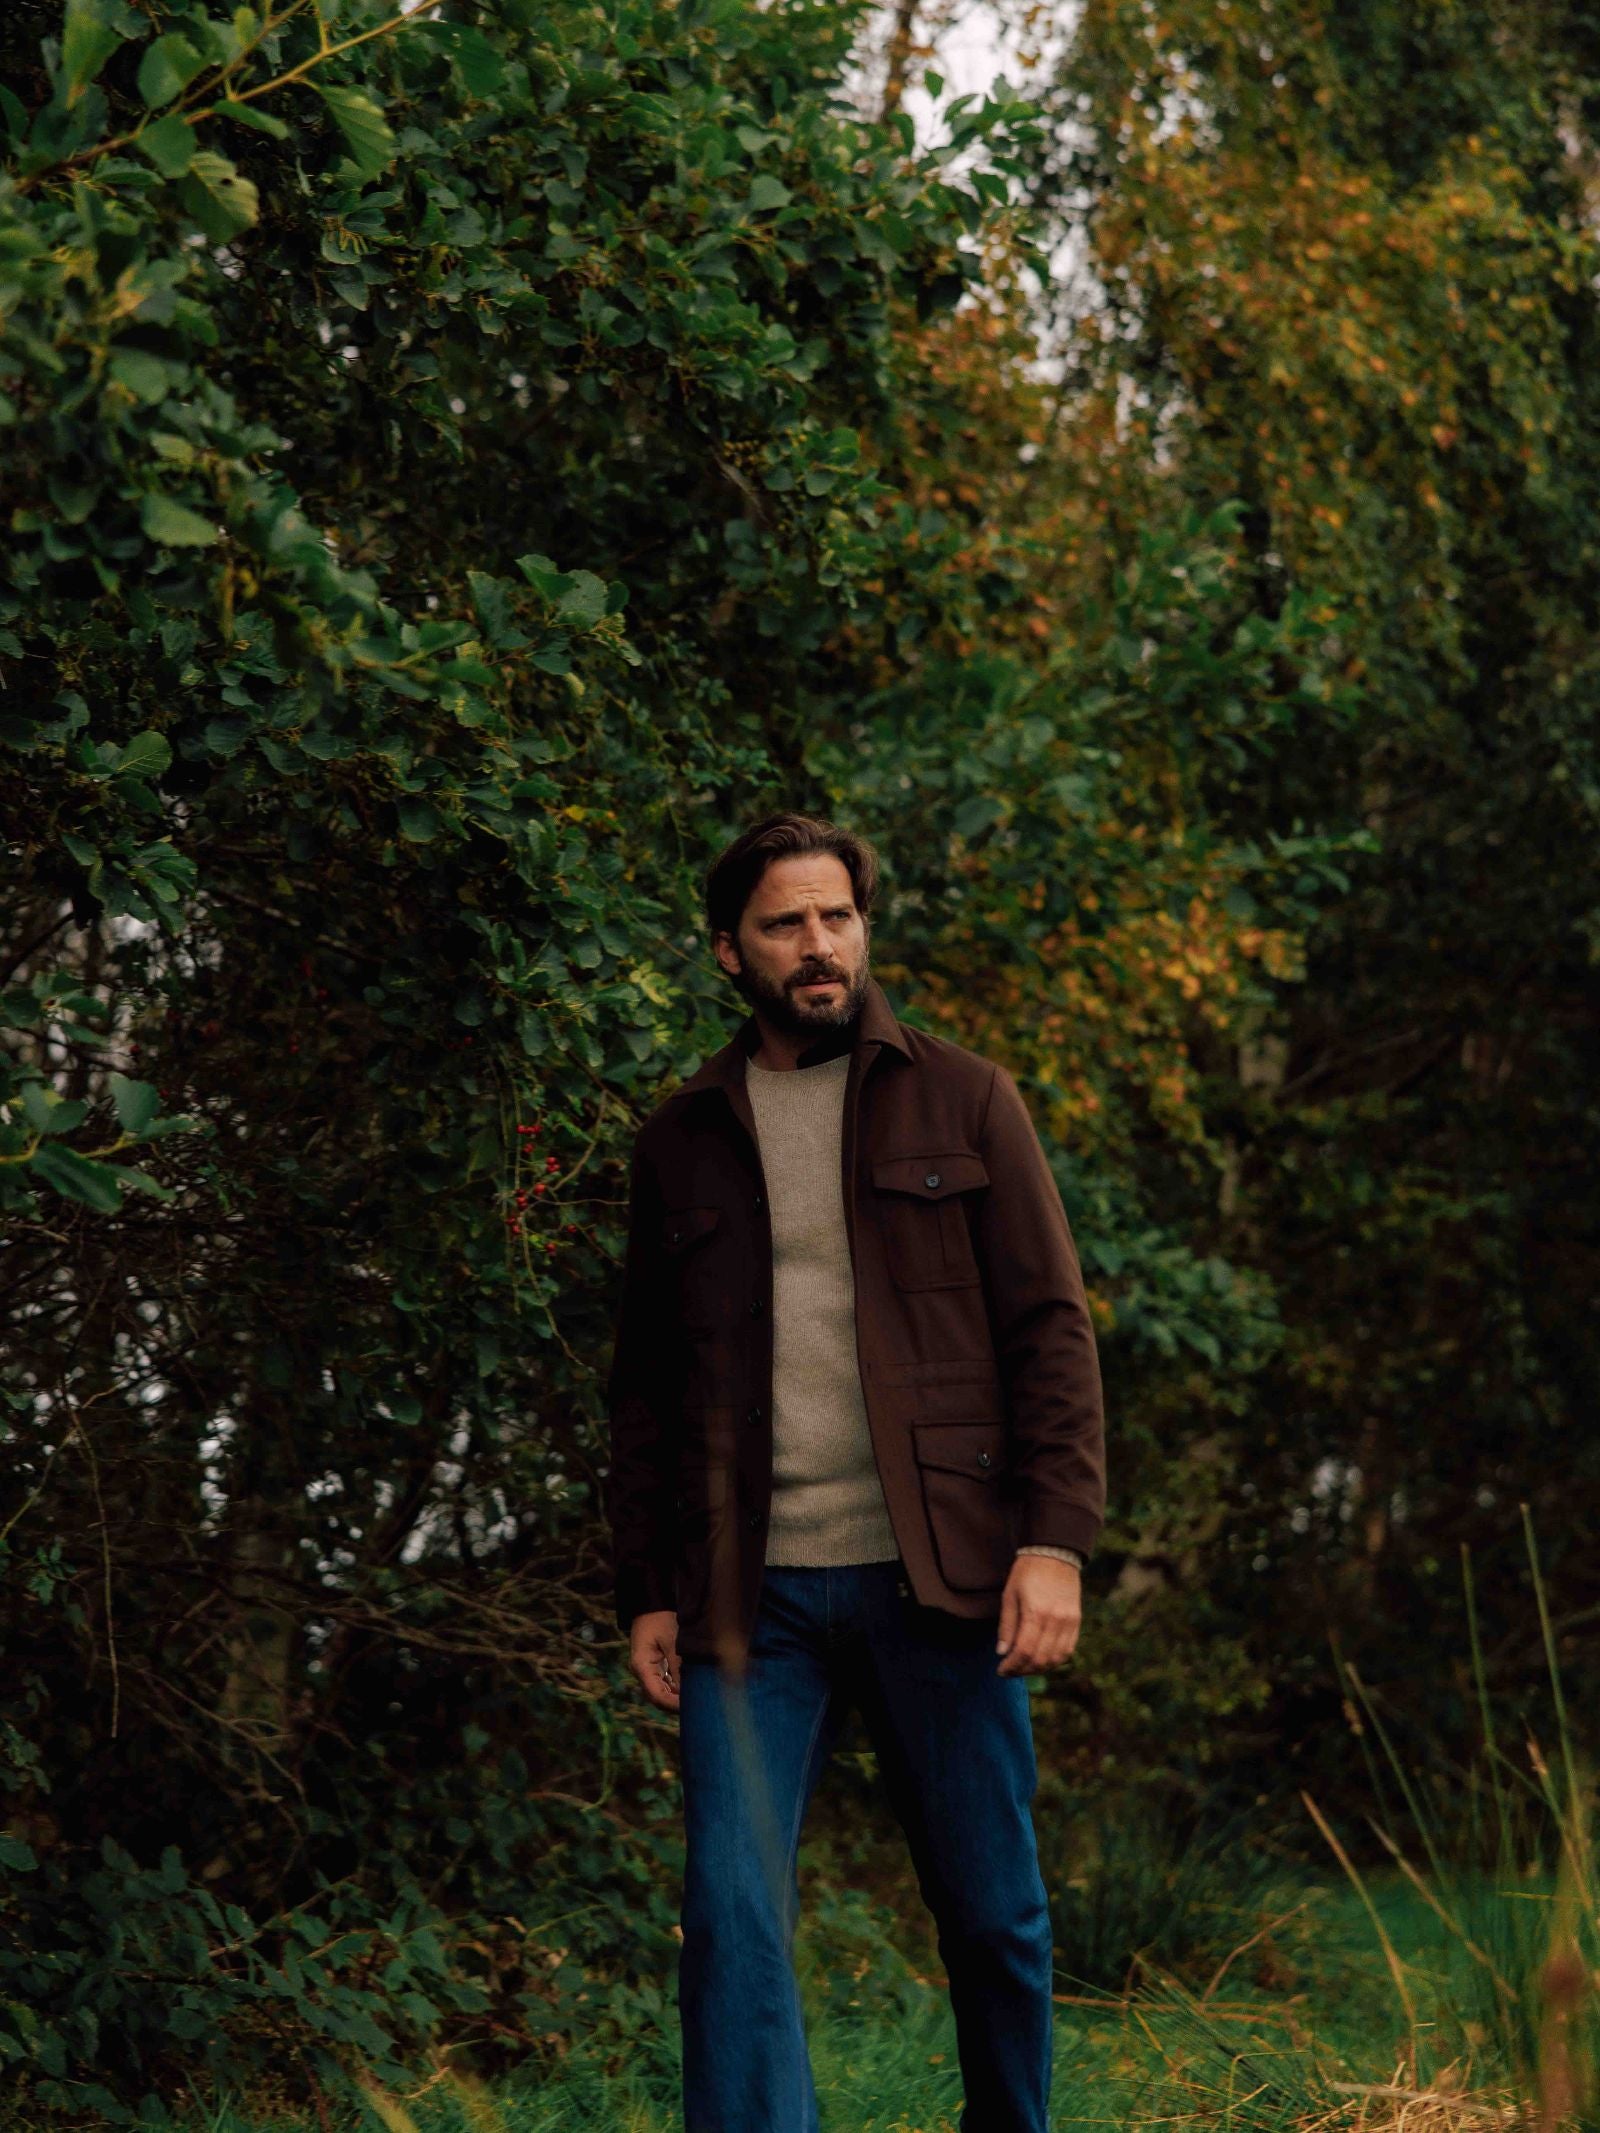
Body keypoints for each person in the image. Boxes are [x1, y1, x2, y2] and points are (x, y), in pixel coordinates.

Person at [604, 810, 1106, 2133]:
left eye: (837, 915)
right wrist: (645, 1586)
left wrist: (1053, 1540)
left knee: (994, 1914)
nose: (819, 946)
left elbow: (1050, 1326)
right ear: (730, 949)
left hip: (939, 1581)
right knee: (730, 1915)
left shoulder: (966, 1096)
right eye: (784, 923)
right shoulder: (682, 1141)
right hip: (745, 1599)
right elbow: (646, 1383)